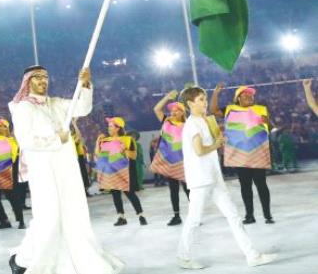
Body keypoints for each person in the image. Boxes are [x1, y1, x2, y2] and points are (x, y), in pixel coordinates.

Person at [8, 66, 123, 274]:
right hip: (42, 171)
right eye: (38, 78)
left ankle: (32, 257)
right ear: (28, 82)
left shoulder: (57, 104)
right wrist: (55, 140)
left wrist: (86, 85)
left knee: (72, 214)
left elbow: (82, 108)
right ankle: (23, 258)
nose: (43, 81)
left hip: (65, 169)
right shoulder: (23, 108)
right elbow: (25, 140)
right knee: (48, 219)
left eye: (46, 77)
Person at [177, 86, 276, 270]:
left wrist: (218, 142)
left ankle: (252, 255)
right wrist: (217, 144)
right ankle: (183, 257)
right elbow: (199, 151)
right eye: (200, 100)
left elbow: (210, 146)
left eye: (205, 98)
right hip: (200, 179)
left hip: (214, 177)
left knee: (233, 215)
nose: (205, 102)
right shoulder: (192, 124)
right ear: (190, 103)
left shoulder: (206, 120)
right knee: (194, 219)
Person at [210, 84, 274, 224]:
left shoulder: (260, 109)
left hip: (257, 154)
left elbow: (269, 128)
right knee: (245, 187)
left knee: (261, 185)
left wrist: (267, 122)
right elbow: (213, 110)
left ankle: (267, 215)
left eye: (251, 95)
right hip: (239, 155)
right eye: (245, 95)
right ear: (237, 98)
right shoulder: (230, 109)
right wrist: (215, 93)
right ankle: (249, 215)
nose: (249, 97)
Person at [95, 117, 147, 227]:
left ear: (118, 128)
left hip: (124, 171)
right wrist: (98, 141)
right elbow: (99, 155)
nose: (108, 128)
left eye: (111, 126)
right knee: (115, 195)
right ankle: (121, 217)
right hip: (111, 172)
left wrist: (123, 149)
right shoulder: (106, 140)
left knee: (130, 194)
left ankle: (141, 215)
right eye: (108, 126)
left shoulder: (127, 139)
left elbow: (133, 156)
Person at [150, 91, 189, 226]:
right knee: (173, 190)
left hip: (184, 162)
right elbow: (156, 109)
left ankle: (195, 215)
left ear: (183, 112)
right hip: (169, 162)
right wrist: (167, 98)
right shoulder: (166, 121)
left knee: (188, 189)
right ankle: (176, 216)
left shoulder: (188, 125)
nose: (173, 112)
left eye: (176, 110)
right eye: (172, 110)